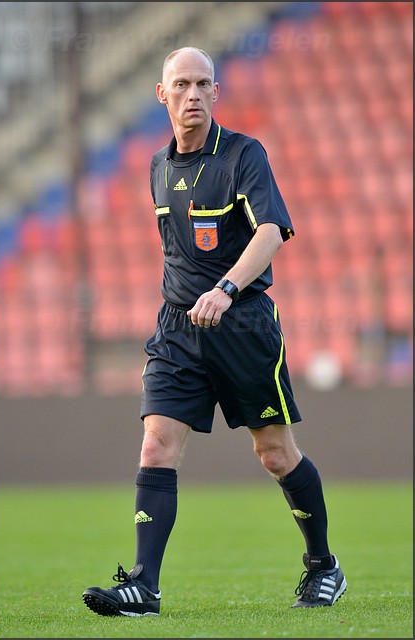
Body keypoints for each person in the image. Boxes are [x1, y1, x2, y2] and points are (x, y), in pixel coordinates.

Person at [82, 46, 347, 617]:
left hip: (243, 323)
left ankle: (323, 565)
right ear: (162, 95)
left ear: (216, 93)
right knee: (156, 445)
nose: (193, 95)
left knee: (275, 455)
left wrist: (224, 290)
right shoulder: (157, 167)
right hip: (178, 330)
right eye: (181, 85)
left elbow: (273, 230)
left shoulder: (243, 155)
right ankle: (144, 586)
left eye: (203, 84)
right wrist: (183, 303)